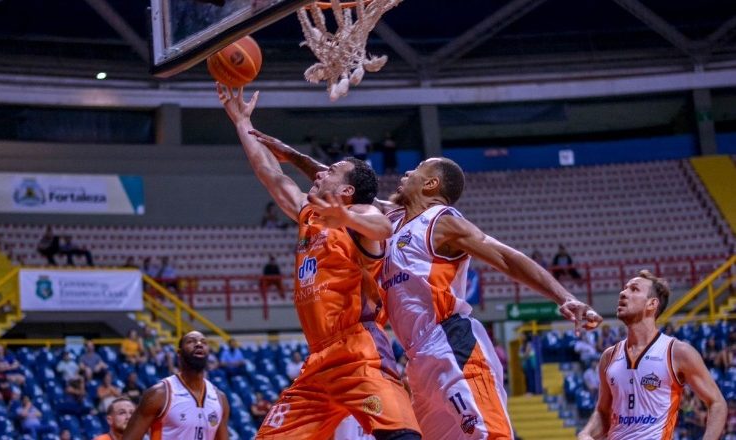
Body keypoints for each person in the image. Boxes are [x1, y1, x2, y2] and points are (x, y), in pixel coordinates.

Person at [249, 130, 603, 439]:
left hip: (451, 342)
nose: (406, 173)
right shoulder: (394, 217)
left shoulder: (442, 222)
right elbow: (345, 191)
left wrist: (564, 296)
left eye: (416, 171)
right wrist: (293, 156)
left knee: (488, 434)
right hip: (416, 358)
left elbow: (505, 256)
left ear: (431, 184)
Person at [218, 85, 421, 440]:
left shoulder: (359, 214)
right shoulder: (308, 214)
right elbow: (272, 175)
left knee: (403, 436)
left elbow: (383, 226)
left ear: (346, 192)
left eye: (331, 172)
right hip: (317, 362)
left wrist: (345, 216)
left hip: (358, 353)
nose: (318, 173)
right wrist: (240, 122)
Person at [577, 270, 726, 440]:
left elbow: (717, 404)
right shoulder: (608, 357)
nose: (623, 293)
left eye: (633, 289)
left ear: (652, 304)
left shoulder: (677, 352)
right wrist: (586, 433)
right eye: (624, 288)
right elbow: (603, 412)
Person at [122, 331, 229, 440]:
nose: (199, 344)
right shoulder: (158, 394)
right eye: (191, 341)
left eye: (203, 342)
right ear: (179, 353)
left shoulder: (220, 398)